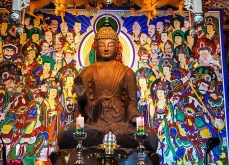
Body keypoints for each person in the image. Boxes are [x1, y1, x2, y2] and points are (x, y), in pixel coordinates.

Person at [55, 16, 157, 152]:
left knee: (150, 136)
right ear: (95, 47)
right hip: (94, 127)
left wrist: (135, 119)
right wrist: (81, 100)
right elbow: (81, 118)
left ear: (117, 47)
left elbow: (131, 103)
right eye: (102, 45)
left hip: (120, 127)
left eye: (110, 44)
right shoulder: (86, 72)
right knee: (65, 133)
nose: (106, 48)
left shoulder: (127, 72)